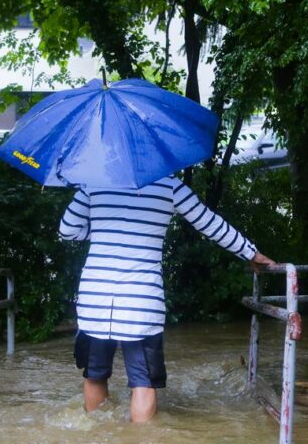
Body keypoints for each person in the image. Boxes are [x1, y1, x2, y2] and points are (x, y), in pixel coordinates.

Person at [59, 175, 274, 422]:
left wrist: (101, 231)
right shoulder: (168, 184)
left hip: (94, 298)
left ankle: (96, 442)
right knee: (143, 381)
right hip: (141, 300)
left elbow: (67, 231)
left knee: (95, 374)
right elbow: (208, 222)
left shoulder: (93, 182)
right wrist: (250, 253)